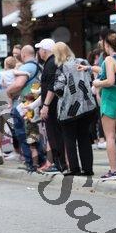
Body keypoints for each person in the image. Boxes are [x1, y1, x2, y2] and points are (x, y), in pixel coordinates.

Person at [80, 32, 116, 179]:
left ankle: (114, 170)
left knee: (110, 137)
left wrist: (97, 83)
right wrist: (89, 68)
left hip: (109, 100)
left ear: (106, 44)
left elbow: (109, 81)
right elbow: (106, 72)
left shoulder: (109, 59)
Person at [54, 42, 96, 176]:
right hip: (87, 106)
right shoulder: (83, 62)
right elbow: (91, 79)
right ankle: (88, 169)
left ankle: (74, 168)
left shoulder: (61, 68)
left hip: (69, 109)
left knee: (69, 138)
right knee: (84, 137)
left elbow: (58, 89)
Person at [7, 45, 47, 173]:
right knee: (33, 135)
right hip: (33, 104)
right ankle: (40, 161)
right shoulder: (39, 67)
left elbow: (18, 84)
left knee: (24, 135)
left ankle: (31, 163)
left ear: (23, 55)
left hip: (23, 106)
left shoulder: (26, 67)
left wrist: (8, 91)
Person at [36, 38, 67, 174]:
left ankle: (59, 164)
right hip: (55, 105)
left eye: (40, 49)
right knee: (55, 134)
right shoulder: (52, 62)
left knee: (54, 135)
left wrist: (46, 105)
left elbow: (52, 87)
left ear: (44, 50)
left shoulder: (50, 64)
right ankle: (59, 163)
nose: (39, 52)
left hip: (52, 106)